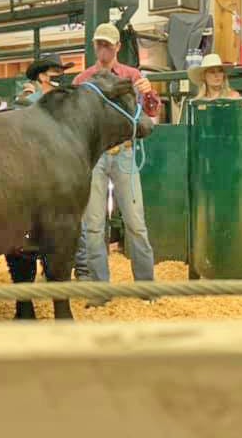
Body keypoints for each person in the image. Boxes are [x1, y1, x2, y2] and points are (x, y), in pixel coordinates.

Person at [73, 22, 159, 306]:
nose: (103, 49)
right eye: (99, 44)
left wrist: (148, 93)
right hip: (96, 156)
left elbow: (151, 113)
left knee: (136, 223)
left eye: (108, 44)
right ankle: (100, 291)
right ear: (95, 46)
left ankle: (146, 288)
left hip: (124, 152)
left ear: (118, 47)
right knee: (94, 226)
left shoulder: (133, 76)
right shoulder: (83, 80)